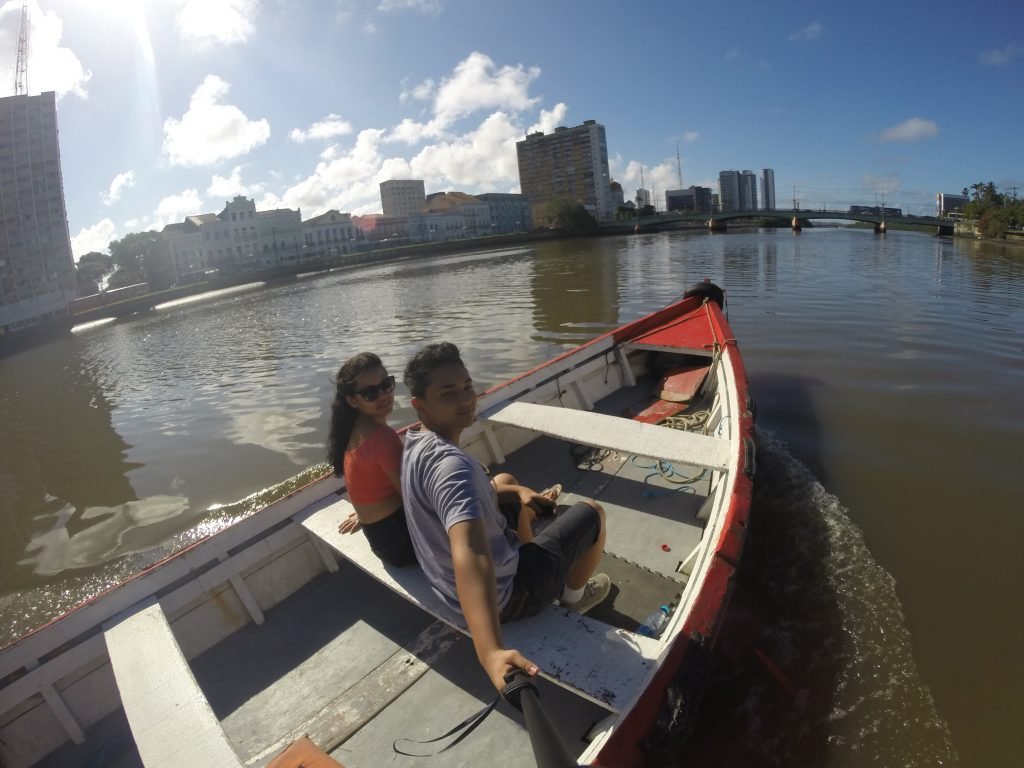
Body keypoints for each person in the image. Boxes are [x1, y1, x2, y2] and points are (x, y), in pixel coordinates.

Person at [400, 342, 611, 692]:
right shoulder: (453, 468)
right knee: (593, 513)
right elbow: (469, 552)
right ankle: (575, 598)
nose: (466, 398)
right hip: (507, 598)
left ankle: (526, 531)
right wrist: (490, 650)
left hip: (445, 585)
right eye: (449, 393)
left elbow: (462, 500)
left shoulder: (415, 443)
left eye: (467, 386)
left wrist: (517, 494)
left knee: (505, 481)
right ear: (420, 405)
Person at [327, 352, 416, 567]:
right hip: (402, 542)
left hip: (380, 539)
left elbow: (369, 484)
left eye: (386, 385)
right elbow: (413, 499)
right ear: (352, 400)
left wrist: (367, 514)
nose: (383, 395)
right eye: (370, 393)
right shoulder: (382, 437)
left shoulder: (351, 431)